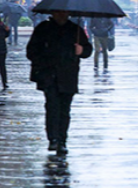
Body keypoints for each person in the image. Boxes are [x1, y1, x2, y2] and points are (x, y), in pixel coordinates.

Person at [26, 10, 92, 155]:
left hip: (68, 76)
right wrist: (44, 61)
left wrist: (81, 50)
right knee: (52, 107)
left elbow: (88, 50)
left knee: (64, 110)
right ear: (53, 13)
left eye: (64, 13)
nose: (62, 15)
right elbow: (31, 51)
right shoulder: (43, 28)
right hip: (49, 75)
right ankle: (53, 139)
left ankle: (62, 140)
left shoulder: (75, 29)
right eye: (59, 13)